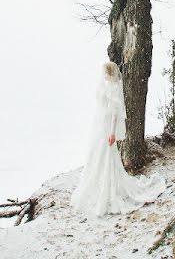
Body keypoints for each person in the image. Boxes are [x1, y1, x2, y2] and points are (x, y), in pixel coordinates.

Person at [70, 61, 165, 216]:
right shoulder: (106, 86)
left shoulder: (115, 88)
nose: (103, 76)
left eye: (105, 73)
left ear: (110, 73)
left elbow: (115, 113)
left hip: (107, 127)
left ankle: (109, 190)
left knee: (107, 156)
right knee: (97, 156)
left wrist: (112, 132)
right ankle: (98, 186)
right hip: (99, 125)